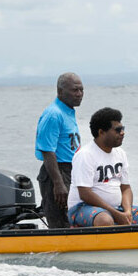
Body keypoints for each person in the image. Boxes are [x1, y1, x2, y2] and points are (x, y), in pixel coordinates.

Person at [66, 107, 138, 227]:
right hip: (82, 208)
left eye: (123, 128)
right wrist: (115, 214)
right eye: (117, 130)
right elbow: (85, 193)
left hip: (117, 208)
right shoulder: (85, 155)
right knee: (105, 221)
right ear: (101, 132)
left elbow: (125, 188)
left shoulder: (120, 153)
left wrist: (127, 212)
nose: (122, 133)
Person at [34, 72, 84, 228]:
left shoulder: (68, 112)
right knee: (59, 222)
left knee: (73, 219)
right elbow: (47, 151)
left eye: (81, 90)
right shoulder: (53, 114)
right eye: (75, 90)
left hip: (72, 171)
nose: (79, 94)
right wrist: (58, 183)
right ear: (60, 91)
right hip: (56, 171)